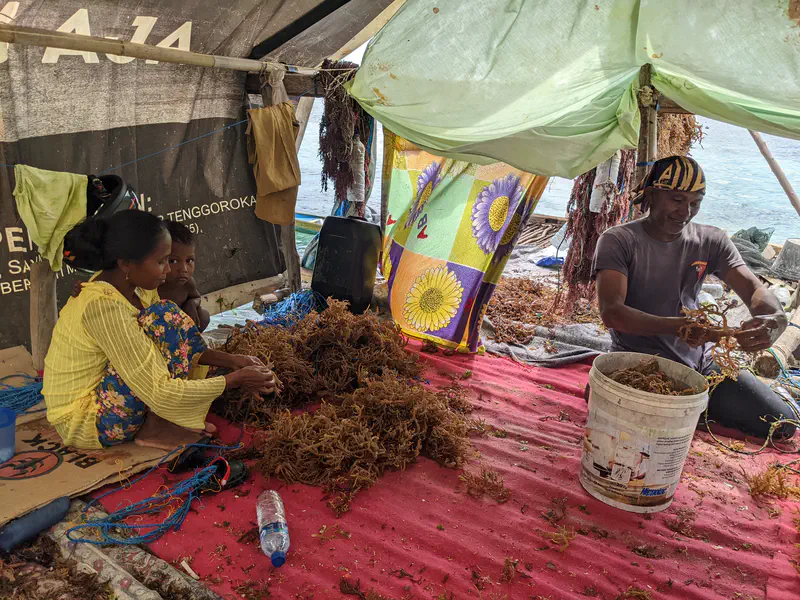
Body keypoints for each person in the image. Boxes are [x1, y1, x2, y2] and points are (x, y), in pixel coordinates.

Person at [592, 155, 796, 440]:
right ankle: (691, 408)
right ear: (651, 194)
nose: (685, 212)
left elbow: (754, 289)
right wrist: (680, 327)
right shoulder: (619, 241)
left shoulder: (711, 241)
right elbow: (613, 312)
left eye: (695, 203)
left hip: (703, 363)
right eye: (676, 199)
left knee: (781, 424)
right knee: (639, 430)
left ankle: (696, 405)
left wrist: (774, 317)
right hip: (642, 364)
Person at [44, 210, 275, 450]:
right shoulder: (104, 308)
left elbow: (177, 342)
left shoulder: (136, 288)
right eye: (162, 261)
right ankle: (155, 426)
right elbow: (159, 390)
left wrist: (233, 361)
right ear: (126, 263)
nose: (168, 270)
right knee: (162, 321)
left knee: (165, 316)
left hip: (107, 393)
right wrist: (234, 380)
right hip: (86, 419)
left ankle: (159, 421)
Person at [160, 221, 210, 332]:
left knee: (203, 315)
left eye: (189, 260)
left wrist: (191, 304)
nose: (184, 269)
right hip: (161, 331)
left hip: (183, 327)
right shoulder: (154, 285)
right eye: (173, 261)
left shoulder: (188, 283)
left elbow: (196, 297)